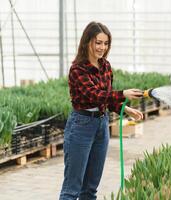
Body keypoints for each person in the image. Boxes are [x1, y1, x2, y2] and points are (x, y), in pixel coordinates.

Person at [59, 21, 143, 200]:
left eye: (106, 43)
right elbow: (95, 95)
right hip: (81, 127)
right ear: (87, 42)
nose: (102, 48)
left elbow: (106, 100)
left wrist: (125, 108)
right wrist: (123, 94)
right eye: (98, 42)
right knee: (72, 189)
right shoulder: (77, 69)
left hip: (101, 125)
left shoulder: (105, 66)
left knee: (90, 189)